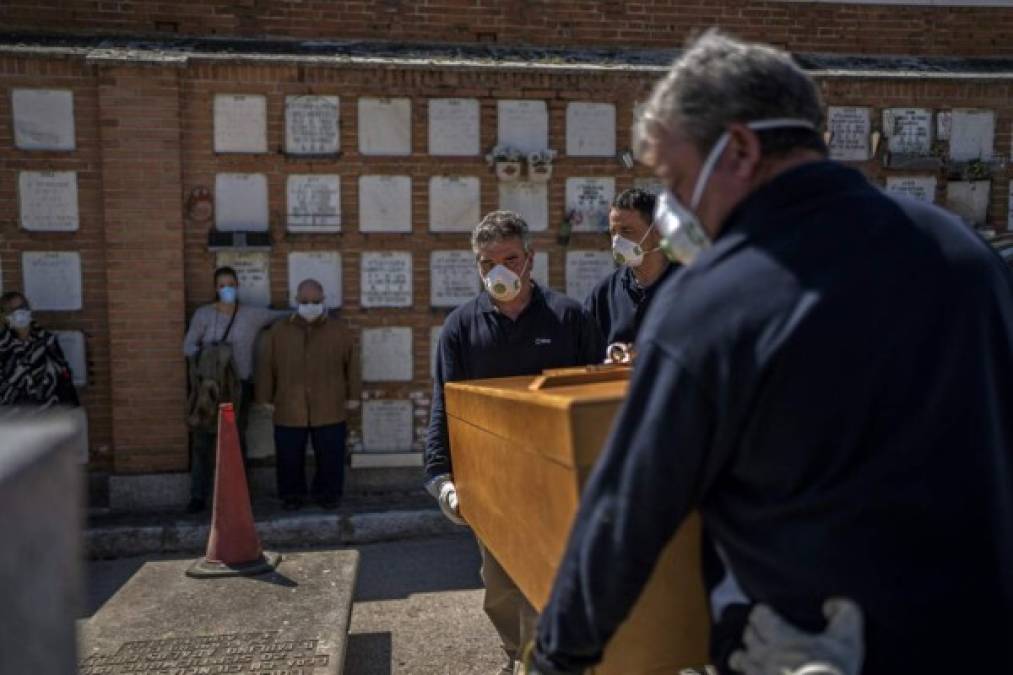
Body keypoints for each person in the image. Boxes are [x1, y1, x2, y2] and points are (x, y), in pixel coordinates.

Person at [525, 30, 1013, 675]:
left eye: (676, 178)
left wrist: (557, 658)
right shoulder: (962, 253)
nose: (673, 209)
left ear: (742, 148)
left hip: (808, 645)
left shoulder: (713, 297)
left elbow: (626, 514)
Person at [425, 210, 604, 674]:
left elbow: (595, 395)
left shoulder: (569, 317)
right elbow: (444, 404)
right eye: (487, 263)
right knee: (501, 586)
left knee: (565, 575)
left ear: (530, 258)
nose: (499, 271)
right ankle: (518, 655)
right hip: (491, 480)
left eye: (509, 258)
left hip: (558, 477)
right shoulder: (461, 327)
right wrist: (439, 477)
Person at [182, 266, 284, 513]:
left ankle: (239, 496)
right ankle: (198, 496)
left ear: (237, 286)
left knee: (236, 441)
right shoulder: (204, 315)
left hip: (239, 388)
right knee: (203, 441)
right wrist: (211, 356)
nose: (226, 288)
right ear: (215, 288)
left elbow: (279, 315)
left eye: (230, 284)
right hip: (209, 388)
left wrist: (310, 309)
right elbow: (187, 346)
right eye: (221, 285)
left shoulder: (250, 315)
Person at [255, 278, 360, 511]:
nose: (310, 305)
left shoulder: (339, 331)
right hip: (289, 404)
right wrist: (264, 397)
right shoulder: (279, 331)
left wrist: (353, 395)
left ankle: (329, 495)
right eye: (305, 301)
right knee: (289, 455)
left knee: (331, 454)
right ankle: (292, 495)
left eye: (315, 301)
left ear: (324, 301)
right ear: (296, 301)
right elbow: (266, 365)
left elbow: (352, 364)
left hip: (329, 403)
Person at [584, 187, 679, 352]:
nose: (617, 241)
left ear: (657, 232)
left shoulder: (688, 285)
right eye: (613, 232)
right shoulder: (604, 294)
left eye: (627, 231)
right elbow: (587, 356)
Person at [0, 291, 79, 409]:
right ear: (6, 317)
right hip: (15, 419)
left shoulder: (46, 340)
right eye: (13, 310)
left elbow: (63, 373)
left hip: (49, 413)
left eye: (22, 307)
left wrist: (72, 406)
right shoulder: (3, 347)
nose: (20, 312)